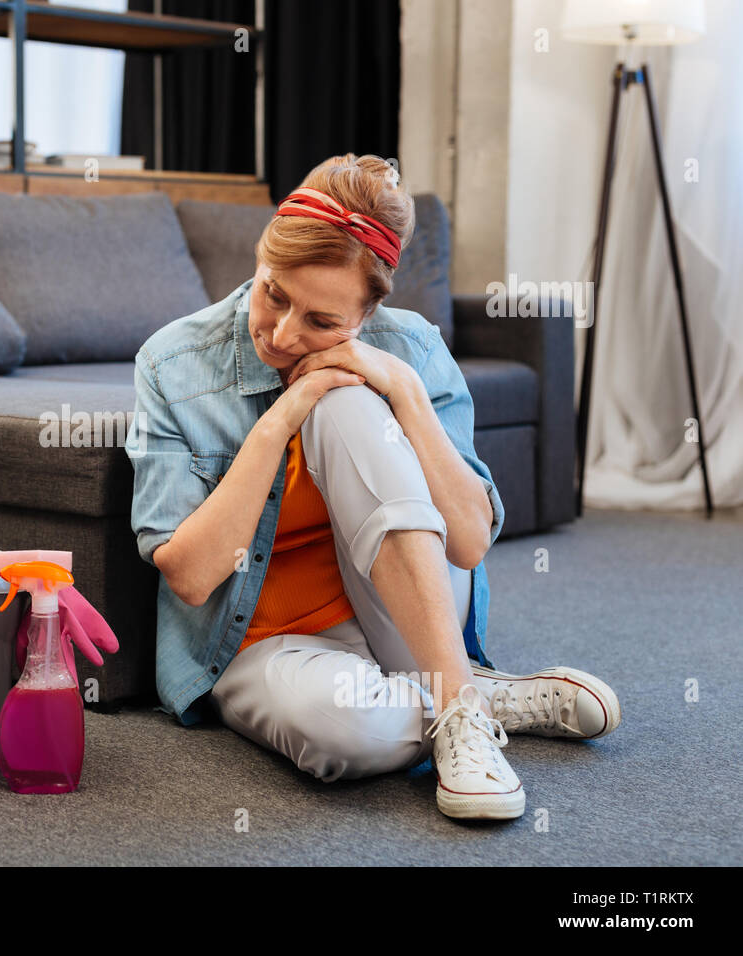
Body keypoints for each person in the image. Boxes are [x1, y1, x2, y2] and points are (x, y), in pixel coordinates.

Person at [125, 153, 621, 821]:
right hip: (259, 643)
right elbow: (190, 577)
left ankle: (455, 708)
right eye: (275, 293)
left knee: (350, 402)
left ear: (368, 310)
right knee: (347, 733)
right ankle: (467, 691)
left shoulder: (410, 346)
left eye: (323, 323)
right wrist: (279, 421)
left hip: (394, 620)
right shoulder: (172, 363)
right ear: (260, 252)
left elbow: (469, 543)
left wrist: (404, 391)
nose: (282, 333)